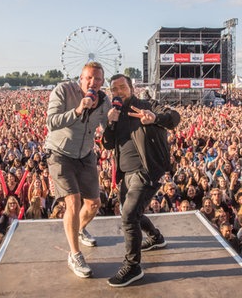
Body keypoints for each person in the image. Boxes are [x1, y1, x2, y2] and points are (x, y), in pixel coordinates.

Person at [102, 73, 180, 287]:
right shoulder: (115, 113)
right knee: (132, 212)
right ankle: (155, 238)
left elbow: (174, 117)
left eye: (121, 87)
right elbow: (107, 145)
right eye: (114, 89)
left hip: (146, 170)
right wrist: (110, 123)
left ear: (131, 88)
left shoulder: (147, 105)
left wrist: (154, 118)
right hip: (125, 173)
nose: (117, 92)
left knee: (128, 215)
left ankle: (133, 266)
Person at [45, 62, 111, 278]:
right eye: (89, 78)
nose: (93, 82)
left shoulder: (103, 100)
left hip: (85, 155)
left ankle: (79, 229)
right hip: (59, 153)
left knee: (93, 204)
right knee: (73, 201)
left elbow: (106, 127)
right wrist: (78, 109)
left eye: (98, 79)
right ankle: (74, 255)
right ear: (80, 78)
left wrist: (112, 123)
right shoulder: (63, 91)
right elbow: (51, 122)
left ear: (102, 82)